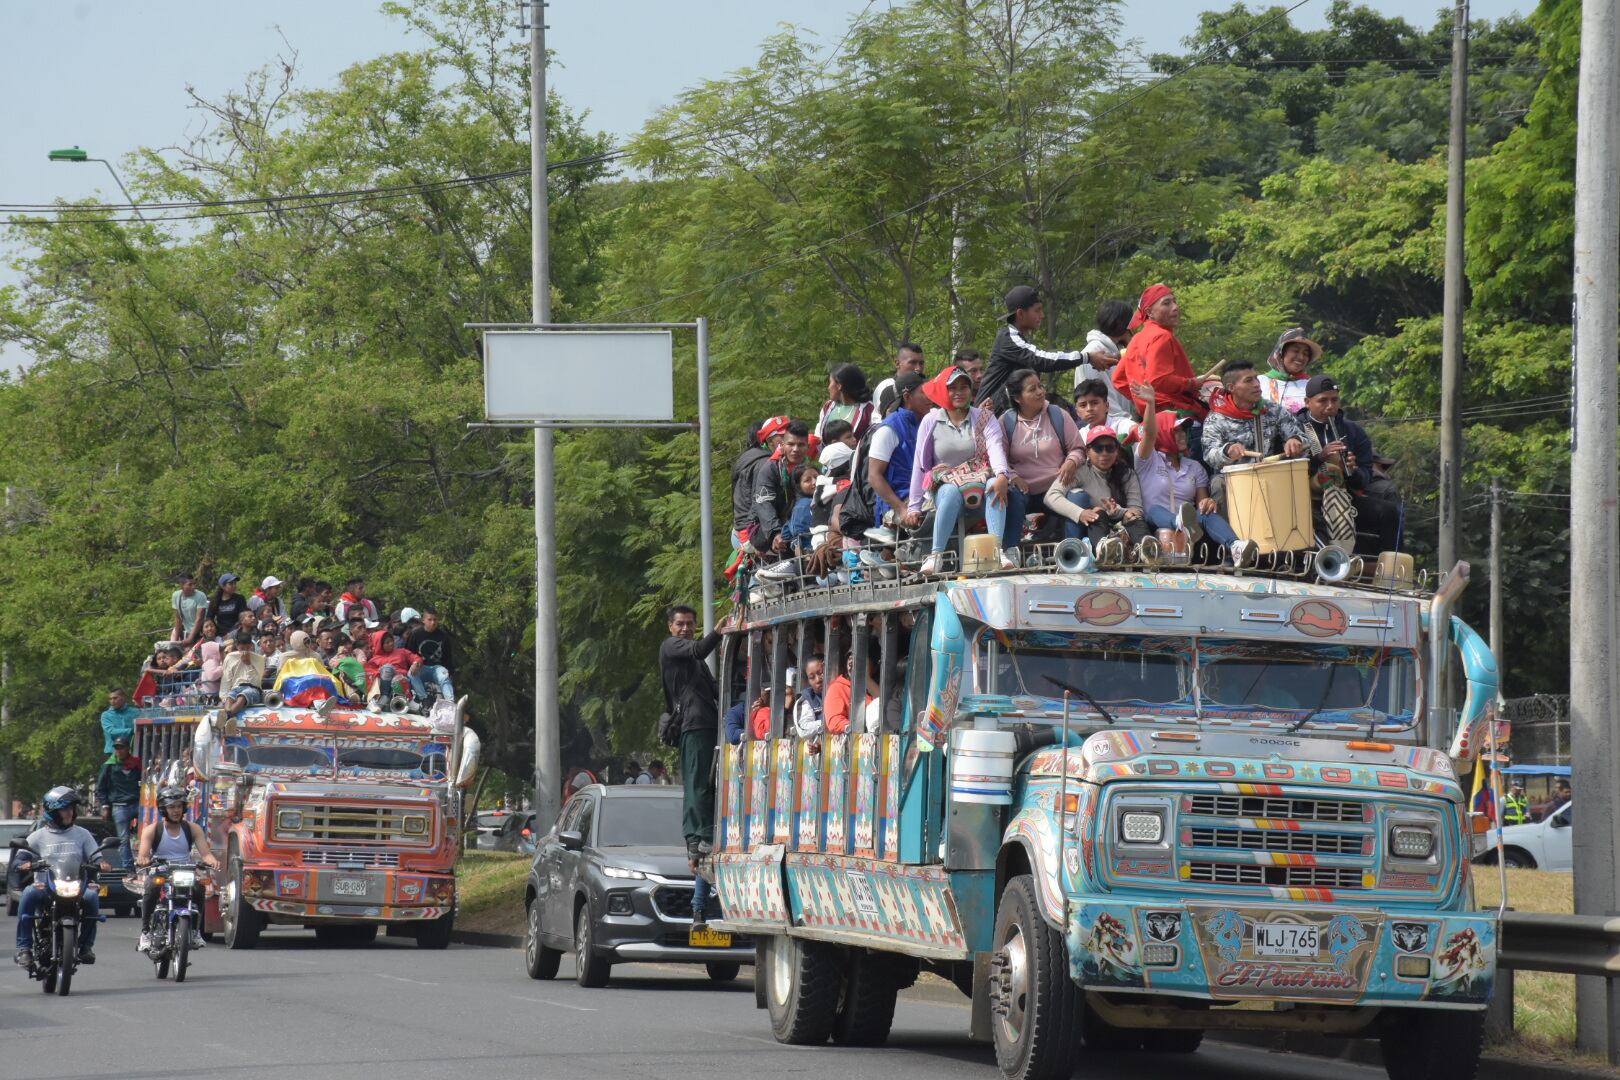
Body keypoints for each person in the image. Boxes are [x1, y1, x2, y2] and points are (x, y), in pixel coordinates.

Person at [910, 366, 1014, 576]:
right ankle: (936, 556)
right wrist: (914, 505)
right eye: (952, 388)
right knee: (948, 492)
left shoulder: (984, 417)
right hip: (945, 481)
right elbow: (919, 465)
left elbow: (995, 446)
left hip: (979, 476)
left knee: (995, 486)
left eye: (964, 387)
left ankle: (996, 550)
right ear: (943, 391)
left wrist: (1002, 474)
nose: (959, 392)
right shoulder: (931, 420)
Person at [1131, 382, 1249, 566]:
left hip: (1188, 528)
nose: (1183, 436)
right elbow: (1149, 434)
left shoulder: (1194, 467)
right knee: (1155, 511)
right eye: (1175, 431)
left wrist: (1206, 502)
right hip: (1153, 523)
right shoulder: (1147, 459)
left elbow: (1201, 502)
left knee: (1206, 514)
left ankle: (1235, 547)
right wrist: (1151, 404)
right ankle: (1178, 521)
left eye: (1184, 431)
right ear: (1163, 433)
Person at [1297, 375, 1400, 555]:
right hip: (1304, 500)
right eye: (1322, 401)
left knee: (1388, 512)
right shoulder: (1294, 428)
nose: (1330, 406)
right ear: (1307, 402)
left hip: (1342, 496)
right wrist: (1320, 457)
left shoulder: (1353, 431)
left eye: (1334, 400)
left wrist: (1352, 470)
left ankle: (1387, 570)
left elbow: (1365, 478)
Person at [15, 786, 106, 967]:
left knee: (92, 897)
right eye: (65, 809)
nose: (70, 813)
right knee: (27, 894)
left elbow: (96, 856)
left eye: (72, 809)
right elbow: (19, 860)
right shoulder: (37, 836)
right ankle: (24, 949)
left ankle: (86, 946)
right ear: (52, 811)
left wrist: (102, 863)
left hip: (75, 885)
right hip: (45, 886)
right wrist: (24, 864)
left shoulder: (83, 834)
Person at [658, 605, 722, 860]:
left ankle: (706, 835)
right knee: (698, 784)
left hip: (709, 725)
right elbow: (700, 648)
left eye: (690, 624)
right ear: (671, 627)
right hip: (693, 726)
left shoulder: (697, 663)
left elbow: (716, 689)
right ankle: (697, 839)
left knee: (710, 783)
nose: (685, 629)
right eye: (680, 624)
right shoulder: (670, 646)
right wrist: (718, 632)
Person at [1200, 360, 1307, 505]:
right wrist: (1227, 451)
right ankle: (1226, 528)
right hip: (1234, 479)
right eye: (1249, 380)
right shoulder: (1216, 418)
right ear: (1231, 387)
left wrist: (1295, 440)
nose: (1257, 384)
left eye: (1256, 378)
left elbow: (1304, 438)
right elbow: (1209, 454)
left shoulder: (1273, 410)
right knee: (1218, 484)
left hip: (1271, 473)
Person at [1114, 284, 1221, 427]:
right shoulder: (1161, 336)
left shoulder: (1137, 339)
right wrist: (1191, 383)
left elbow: (1118, 379)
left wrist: (1144, 403)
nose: (1175, 307)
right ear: (1150, 312)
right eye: (1166, 303)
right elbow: (1158, 379)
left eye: (1174, 301)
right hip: (1178, 418)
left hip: (1153, 421)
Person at [1000, 368, 1084, 547]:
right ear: (1017, 398)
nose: (1040, 392)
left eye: (1040, 386)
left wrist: (1071, 461)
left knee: (1079, 498)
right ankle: (1010, 553)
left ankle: (1074, 553)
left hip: (1058, 487)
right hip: (1024, 491)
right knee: (1011, 497)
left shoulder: (1058, 414)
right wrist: (1013, 476)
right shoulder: (1006, 422)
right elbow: (999, 459)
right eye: (1032, 389)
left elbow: (1078, 448)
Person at [134, 785, 219, 954]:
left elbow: (206, 854)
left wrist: (213, 861)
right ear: (163, 809)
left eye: (179, 806)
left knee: (198, 888)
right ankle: (145, 933)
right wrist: (143, 859)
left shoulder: (192, 828)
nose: (176, 810)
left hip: (185, 871)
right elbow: (143, 854)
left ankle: (195, 932)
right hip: (161, 871)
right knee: (151, 888)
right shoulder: (152, 830)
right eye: (172, 807)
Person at [979, 285, 1092, 412]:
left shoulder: (1018, 340)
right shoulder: (1008, 338)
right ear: (1021, 313)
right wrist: (1087, 357)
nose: (1042, 315)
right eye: (1037, 310)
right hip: (989, 420)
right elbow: (1041, 359)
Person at [1046, 426, 1150, 548]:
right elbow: (1051, 496)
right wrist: (1081, 513)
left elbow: (1136, 510)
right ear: (1087, 451)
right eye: (1098, 448)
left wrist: (1118, 511)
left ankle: (1147, 549)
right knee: (1091, 508)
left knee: (1133, 517)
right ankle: (1102, 550)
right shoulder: (1080, 471)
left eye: (1110, 448)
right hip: (1093, 526)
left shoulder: (1128, 474)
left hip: (1123, 525)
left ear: (1117, 450)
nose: (1104, 453)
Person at [865, 371, 930, 531]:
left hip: (926, 495)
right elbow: (874, 476)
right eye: (924, 393)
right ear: (907, 397)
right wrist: (901, 509)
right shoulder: (889, 428)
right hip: (901, 502)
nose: (930, 398)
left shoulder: (928, 422)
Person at [730, 417, 791, 562]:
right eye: (781, 437)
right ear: (767, 440)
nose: (786, 440)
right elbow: (759, 502)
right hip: (754, 533)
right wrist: (755, 536)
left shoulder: (746, 460)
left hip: (741, 530)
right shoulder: (765, 463)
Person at [1073, 299, 1136, 420]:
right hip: (1108, 429)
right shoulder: (1094, 352)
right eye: (1131, 322)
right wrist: (1127, 424)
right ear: (1120, 323)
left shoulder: (1117, 350)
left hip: (1121, 424)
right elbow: (1100, 398)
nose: (1133, 327)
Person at [96, 737, 143, 868]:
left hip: (137, 803)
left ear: (128, 748)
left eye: (121, 747)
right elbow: (101, 787)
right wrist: (105, 806)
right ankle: (128, 867)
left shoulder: (137, 764)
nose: (119, 750)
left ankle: (145, 861)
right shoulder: (109, 765)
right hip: (119, 806)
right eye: (116, 748)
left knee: (147, 831)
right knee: (123, 839)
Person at [1258, 327, 1323, 414]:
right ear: (1281, 353)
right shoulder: (1259, 383)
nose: (1301, 357)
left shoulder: (1312, 386)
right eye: (1296, 351)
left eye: (1305, 353)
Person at [1073, 378, 1141, 449]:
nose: (1089, 409)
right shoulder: (1080, 435)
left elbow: (1136, 430)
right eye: (1083, 405)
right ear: (1077, 412)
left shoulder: (1120, 424)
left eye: (1094, 403)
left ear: (1107, 406)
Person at [406, 608, 457, 703]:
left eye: (435, 619)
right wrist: (413, 664)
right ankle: (424, 700)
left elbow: (448, 657)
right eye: (430, 619)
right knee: (411, 673)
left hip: (437, 668)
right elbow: (408, 653)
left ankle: (450, 703)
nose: (433, 622)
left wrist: (450, 673)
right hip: (421, 666)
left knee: (444, 676)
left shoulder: (443, 636)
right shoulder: (416, 633)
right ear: (423, 620)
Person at [824, 651, 880, 735]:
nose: (851, 663)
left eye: (858, 660)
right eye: (850, 659)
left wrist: (867, 679)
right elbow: (835, 721)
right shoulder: (838, 688)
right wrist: (856, 729)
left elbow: (885, 708)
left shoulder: (882, 686)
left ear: (874, 667)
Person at [816, 363, 875, 442]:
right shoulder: (828, 407)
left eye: (830, 382)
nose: (828, 387)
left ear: (839, 386)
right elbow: (818, 437)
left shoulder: (869, 410)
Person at [363, 631, 421, 707]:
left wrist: (416, 663)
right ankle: (384, 696)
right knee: (387, 668)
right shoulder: (374, 660)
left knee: (397, 679)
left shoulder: (402, 651)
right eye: (387, 643)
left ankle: (408, 701)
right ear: (380, 645)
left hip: (402, 682)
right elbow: (369, 673)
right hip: (385, 685)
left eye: (391, 641)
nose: (391, 643)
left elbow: (416, 658)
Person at [220, 632, 267, 720]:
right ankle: (229, 716)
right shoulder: (230, 657)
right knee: (229, 698)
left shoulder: (259, 659)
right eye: (242, 648)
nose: (245, 651)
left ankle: (226, 717)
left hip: (253, 689)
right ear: (237, 646)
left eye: (247, 648)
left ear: (251, 646)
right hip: (236, 687)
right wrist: (223, 696)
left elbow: (256, 682)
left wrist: (248, 663)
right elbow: (226, 678)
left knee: (242, 697)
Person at [873, 343, 926, 417]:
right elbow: (889, 417)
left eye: (921, 363)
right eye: (912, 363)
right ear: (897, 364)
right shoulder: (888, 386)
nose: (918, 368)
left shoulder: (924, 387)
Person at [782, 464, 819, 558]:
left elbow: (785, 534)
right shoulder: (807, 504)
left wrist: (795, 544)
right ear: (798, 486)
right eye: (808, 480)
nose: (814, 482)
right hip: (813, 552)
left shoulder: (794, 506)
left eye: (816, 477)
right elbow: (799, 531)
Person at [791, 656, 827, 738]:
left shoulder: (841, 690)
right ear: (808, 681)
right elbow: (803, 729)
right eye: (812, 677)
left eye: (821, 673)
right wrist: (829, 722)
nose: (818, 680)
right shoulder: (806, 699)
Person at [206, 573, 248, 638]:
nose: (234, 586)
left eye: (235, 583)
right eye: (231, 584)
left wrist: (231, 633)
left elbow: (243, 617)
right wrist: (216, 631)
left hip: (237, 633)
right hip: (220, 635)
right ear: (223, 586)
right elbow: (209, 618)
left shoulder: (240, 599)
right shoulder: (215, 601)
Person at [171, 573, 208, 646]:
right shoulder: (176, 596)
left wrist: (191, 638)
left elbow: (199, 619)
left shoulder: (200, 596)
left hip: (200, 632)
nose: (193, 587)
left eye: (194, 584)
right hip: (186, 632)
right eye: (190, 584)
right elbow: (178, 619)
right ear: (182, 585)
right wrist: (175, 641)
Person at [99, 687, 137, 754]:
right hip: (113, 753)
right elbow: (111, 731)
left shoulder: (135, 712)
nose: (112, 701)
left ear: (123, 697)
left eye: (115, 698)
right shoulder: (106, 715)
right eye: (110, 699)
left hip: (132, 752)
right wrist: (131, 730)